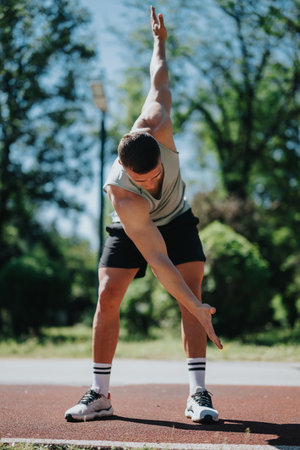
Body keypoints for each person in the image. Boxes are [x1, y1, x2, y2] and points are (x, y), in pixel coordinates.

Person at [65, 5, 222, 424]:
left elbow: (159, 75)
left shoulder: (159, 118)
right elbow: (157, 259)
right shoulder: (123, 194)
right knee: (108, 292)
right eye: (144, 180)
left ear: (162, 147)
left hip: (178, 216)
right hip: (134, 228)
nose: (151, 184)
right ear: (128, 172)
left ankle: (198, 395)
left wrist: (159, 41)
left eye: (156, 175)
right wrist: (192, 304)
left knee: (193, 291)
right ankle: (100, 394)